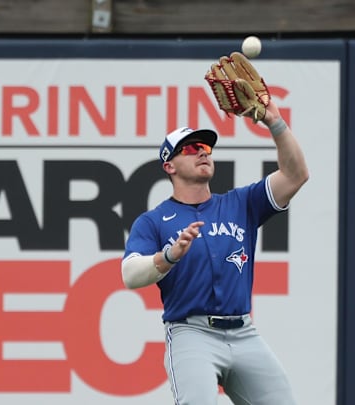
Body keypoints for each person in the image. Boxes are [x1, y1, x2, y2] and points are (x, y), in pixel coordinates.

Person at [121, 99, 308, 405]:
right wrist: (168, 257)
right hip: (191, 334)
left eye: (206, 149)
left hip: (244, 332)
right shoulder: (153, 221)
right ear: (169, 165)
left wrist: (276, 124)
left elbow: (296, 175)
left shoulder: (241, 203)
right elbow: (129, 275)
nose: (203, 153)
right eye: (192, 149)